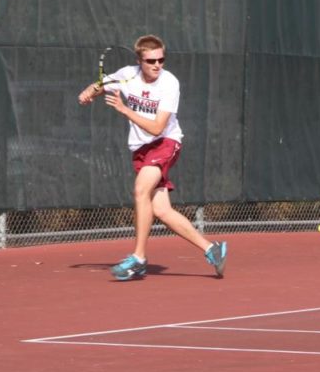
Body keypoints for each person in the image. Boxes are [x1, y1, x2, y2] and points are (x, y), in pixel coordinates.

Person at [78, 35, 227, 280]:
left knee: (140, 192)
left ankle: (138, 258)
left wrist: (124, 109)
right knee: (161, 210)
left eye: (161, 60)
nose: (157, 65)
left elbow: (158, 128)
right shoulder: (128, 74)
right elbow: (102, 83)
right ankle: (213, 249)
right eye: (151, 61)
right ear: (140, 61)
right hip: (141, 149)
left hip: (165, 143)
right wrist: (88, 93)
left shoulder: (169, 83)